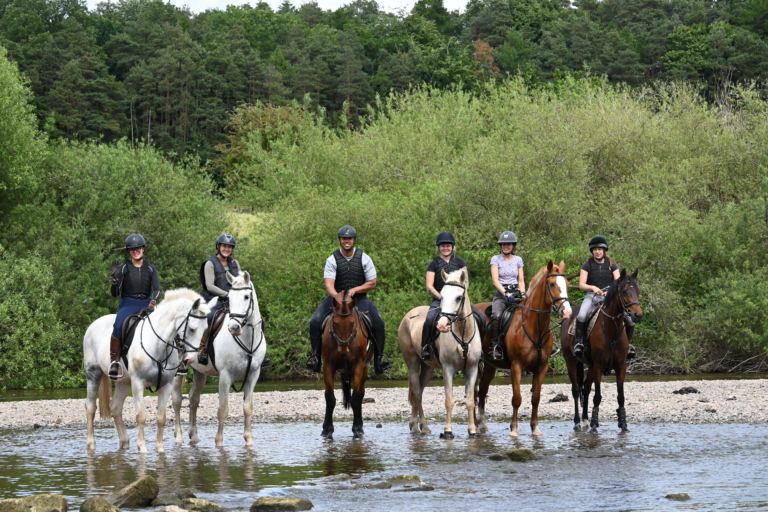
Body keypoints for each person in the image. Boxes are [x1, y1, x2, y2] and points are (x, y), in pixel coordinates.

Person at [305, 225, 391, 374]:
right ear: (340, 240)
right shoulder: (332, 259)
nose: (347, 241)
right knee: (315, 322)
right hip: (336, 298)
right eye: (344, 238)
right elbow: (329, 286)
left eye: (349, 238)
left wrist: (354, 290)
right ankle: (316, 359)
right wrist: (339, 298)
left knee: (378, 322)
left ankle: (379, 360)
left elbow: (372, 283)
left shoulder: (364, 258)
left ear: (353, 240)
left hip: (359, 299)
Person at [421, 231, 483, 361]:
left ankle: (480, 350)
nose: (445, 248)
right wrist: (442, 298)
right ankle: (425, 347)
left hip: (458, 300)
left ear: (452, 247)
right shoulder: (434, 263)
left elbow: (466, 283)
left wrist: (460, 296)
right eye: (442, 246)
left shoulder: (460, 262)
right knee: (430, 319)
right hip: (440, 299)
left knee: (481, 318)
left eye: (448, 246)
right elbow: (429, 285)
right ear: (439, 247)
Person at [108, 234, 161, 380]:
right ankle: (114, 361)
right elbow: (115, 293)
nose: (135, 251)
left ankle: (172, 358)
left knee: (165, 323)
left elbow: (156, 289)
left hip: (146, 302)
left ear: (143, 249)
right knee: (119, 325)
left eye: (138, 248)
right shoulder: (124, 267)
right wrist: (115, 279)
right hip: (128, 302)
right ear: (129, 251)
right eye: (132, 249)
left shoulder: (151, 268)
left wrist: (153, 302)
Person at [572, 235, 623, 358]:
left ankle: (629, 345)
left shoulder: (612, 264)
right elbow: (582, 285)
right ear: (592, 251)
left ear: (604, 250)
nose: (597, 251)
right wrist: (593, 288)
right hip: (592, 296)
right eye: (595, 249)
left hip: (610, 297)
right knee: (582, 315)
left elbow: (619, 282)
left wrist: (611, 290)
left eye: (600, 249)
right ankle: (579, 343)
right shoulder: (587, 265)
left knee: (628, 317)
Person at [488, 231, 525, 360]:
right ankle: (494, 346)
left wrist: (523, 293)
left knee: (532, 312)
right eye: (503, 244)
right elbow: (495, 280)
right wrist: (505, 293)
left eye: (508, 244)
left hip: (516, 292)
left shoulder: (518, 260)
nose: (505, 246)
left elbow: (520, 280)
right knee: (496, 315)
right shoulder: (495, 259)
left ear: (513, 245)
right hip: (502, 294)